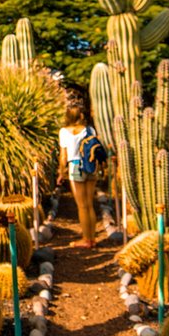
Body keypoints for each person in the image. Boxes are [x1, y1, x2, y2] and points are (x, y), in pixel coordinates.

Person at [57, 97, 103, 248]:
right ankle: (93, 239)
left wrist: (61, 172)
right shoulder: (89, 130)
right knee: (90, 204)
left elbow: (63, 156)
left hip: (75, 167)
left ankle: (85, 239)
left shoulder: (64, 132)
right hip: (91, 166)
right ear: (81, 115)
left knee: (82, 206)